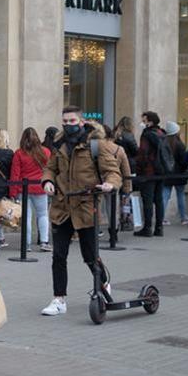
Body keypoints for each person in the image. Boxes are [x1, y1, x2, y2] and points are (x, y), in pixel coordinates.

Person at [39, 107, 122, 316]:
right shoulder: (59, 145)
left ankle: (103, 284)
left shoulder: (97, 145)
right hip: (61, 207)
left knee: (90, 255)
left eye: (72, 120)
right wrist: (47, 181)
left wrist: (110, 184)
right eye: (65, 121)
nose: (68, 124)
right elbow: (50, 168)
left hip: (86, 206)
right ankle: (59, 299)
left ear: (82, 121)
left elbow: (112, 171)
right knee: (58, 256)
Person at [9, 127, 52, 251]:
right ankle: (44, 242)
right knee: (43, 214)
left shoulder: (19, 153)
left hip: (23, 188)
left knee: (26, 217)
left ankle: (26, 244)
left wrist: (13, 192)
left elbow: (15, 174)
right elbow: (49, 170)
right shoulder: (46, 152)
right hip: (40, 187)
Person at [133, 111, 168, 237]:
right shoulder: (162, 133)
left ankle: (147, 228)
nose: (142, 123)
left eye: (144, 121)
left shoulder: (147, 135)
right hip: (161, 171)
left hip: (149, 171)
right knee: (159, 200)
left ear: (150, 122)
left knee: (147, 200)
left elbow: (143, 153)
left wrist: (139, 168)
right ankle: (159, 228)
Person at [160, 121, 188, 226]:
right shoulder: (180, 145)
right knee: (180, 195)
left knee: (165, 196)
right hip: (179, 174)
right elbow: (184, 161)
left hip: (167, 174)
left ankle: (161, 218)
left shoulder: (163, 143)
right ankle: (183, 217)